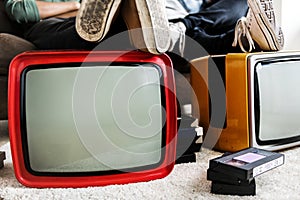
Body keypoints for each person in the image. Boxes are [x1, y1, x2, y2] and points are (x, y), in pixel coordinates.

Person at [166, 0, 284, 57]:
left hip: (203, 21)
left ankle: (250, 37)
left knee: (242, 2)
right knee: (191, 35)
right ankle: (248, 38)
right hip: (181, 34)